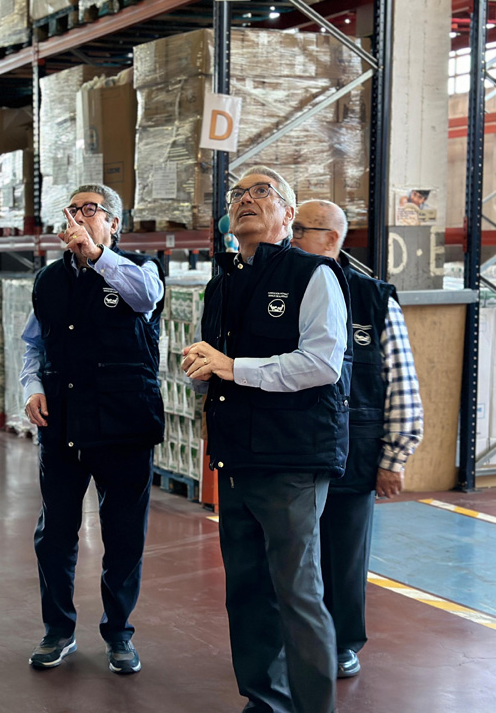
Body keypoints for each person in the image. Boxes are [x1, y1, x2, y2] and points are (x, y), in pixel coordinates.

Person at [181, 166, 351, 713]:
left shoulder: (313, 275)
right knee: (248, 591)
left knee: (297, 591)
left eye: (263, 192)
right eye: (238, 194)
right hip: (237, 457)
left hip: (292, 456)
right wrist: (208, 368)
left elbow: (322, 363)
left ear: (288, 213)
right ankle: (264, 698)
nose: (247, 199)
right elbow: (223, 364)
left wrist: (233, 368)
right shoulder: (223, 283)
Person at [21, 183, 165, 675]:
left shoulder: (141, 271)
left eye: (92, 210)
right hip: (61, 422)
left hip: (125, 424)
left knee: (124, 535)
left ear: (114, 224)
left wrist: (97, 255)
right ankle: (58, 630)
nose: (80, 218)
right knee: (55, 533)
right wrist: (30, 387)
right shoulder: (48, 280)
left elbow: (143, 298)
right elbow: (32, 344)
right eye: (73, 210)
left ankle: (119, 633)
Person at [291, 199, 423, 679]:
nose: (290, 237)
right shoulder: (280, 286)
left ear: (330, 239)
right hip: (292, 448)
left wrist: (394, 456)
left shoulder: (373, 298)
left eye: (299, 229)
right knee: (290, 553)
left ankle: (343, 642)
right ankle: (295, 640)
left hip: (355, 448)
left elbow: (401, 380)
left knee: (343, 555)